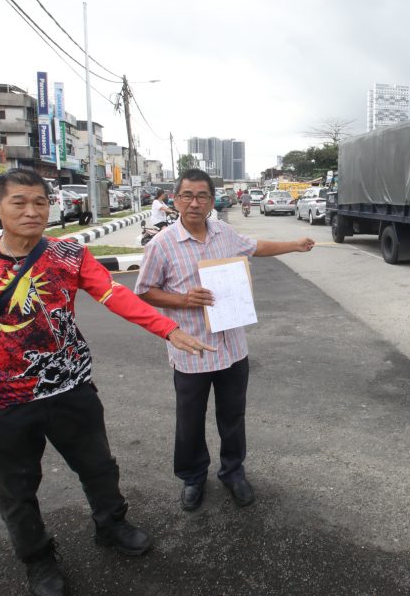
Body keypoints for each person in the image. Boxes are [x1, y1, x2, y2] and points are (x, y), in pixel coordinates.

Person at [0, 168, 212, 596]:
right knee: (17, 489)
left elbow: (114, 295)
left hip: (71, 388)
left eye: (40, 203)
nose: (31, 211)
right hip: (3, 401)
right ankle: (39, 561)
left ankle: (111, 525)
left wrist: (167, 329)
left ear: (51, 207)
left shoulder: (69, 254)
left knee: (99, 467)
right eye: (19, 203)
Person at [135, 169, 315, 513]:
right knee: (190, 420)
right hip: (191, 351)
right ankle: (193, 476)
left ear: (211, 200)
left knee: (232, 416)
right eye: (187, 195)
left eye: (202, 195)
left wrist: (294, 244)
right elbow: (145, 292)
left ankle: (233, 471)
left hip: (233, 349)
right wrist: (183, 299)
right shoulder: (162, 244)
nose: (194, 202)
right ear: (175, 200)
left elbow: (257, 247)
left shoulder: (224, 233)